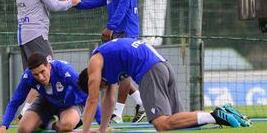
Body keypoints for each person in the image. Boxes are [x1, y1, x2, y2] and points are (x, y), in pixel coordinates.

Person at [78, 38, 252, 132]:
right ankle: (229, 114)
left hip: (149, 71)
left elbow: (93, 100)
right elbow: (109, 99)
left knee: (161, 124)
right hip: (163, 65)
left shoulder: (95, 61)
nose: (102, 87)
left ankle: (215, 115)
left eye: (98, 86)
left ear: (91, 79)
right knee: (181, 122)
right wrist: (101, 130)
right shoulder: (108, 66)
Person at [72, 0, 144, 123]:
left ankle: (118, 115)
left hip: (126, 29)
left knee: (123, 70)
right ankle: (140, 103)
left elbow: (124, 3)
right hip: (116, 28)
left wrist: (111, 27)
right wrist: (79, 4)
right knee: (114, 69)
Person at [16, 0, 81, 118]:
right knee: (48, 72)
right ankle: (57, 110)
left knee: (34, 76)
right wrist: (71, 3)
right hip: (36, 35)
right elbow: (53, 6)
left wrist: (61, 1)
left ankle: (25, 113)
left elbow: (44, 4)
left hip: (25, 35)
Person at [0, 53, 101, 133]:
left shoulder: (65, 71)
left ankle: (53, 124)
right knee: (23, 129)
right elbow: (15, 101)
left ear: (49, 66)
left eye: (42, 72)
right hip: (46, 100)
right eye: (36, 74)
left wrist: (101, 121)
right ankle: (48, 121)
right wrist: (4, 126)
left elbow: (89, 95)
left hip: (69, 102)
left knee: (67, 124)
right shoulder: (28, 77)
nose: (41, 78)